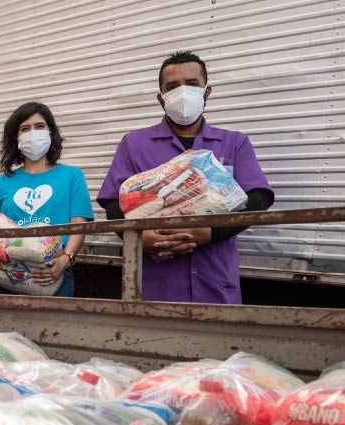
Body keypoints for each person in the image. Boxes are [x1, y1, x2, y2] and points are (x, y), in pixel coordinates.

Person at [96, 51, 274, 304]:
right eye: (172, 87)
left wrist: (211, 233)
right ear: (161, 98)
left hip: (216, 285)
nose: (183, 92)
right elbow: (114, 205)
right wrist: (137, 237)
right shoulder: (133, 144)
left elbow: (257, 200)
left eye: (191, 84)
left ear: (206, 92)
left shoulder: (234, 143)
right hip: (154, 286)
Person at [0, 101, 94, 297]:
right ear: (16, 138)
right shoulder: (0, 183)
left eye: (40, 126)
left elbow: (78, 225)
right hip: (5, 274)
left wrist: (64, 261)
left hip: (52, 273)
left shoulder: (71, 176)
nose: (33, 132)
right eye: (25, 128)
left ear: (51, 133)